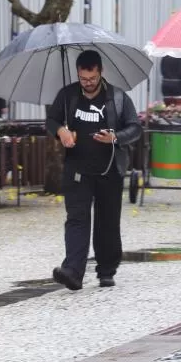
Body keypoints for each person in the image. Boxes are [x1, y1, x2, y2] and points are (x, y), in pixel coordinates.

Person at [46, 50, 143, 291]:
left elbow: (135, 128)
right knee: (77, 220)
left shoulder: (118, 98)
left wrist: (115, 137)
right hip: (77, 170)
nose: (87, 84)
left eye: (91, 78)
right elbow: (51, 121)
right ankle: (73, 271)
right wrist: (62, 132)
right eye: (83, 79)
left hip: (109, 170)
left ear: (101, 72)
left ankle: (106, 270)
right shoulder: (67, 96)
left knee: (107, 222)